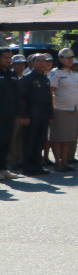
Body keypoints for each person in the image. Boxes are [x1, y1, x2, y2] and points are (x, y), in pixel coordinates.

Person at [18, 53, 53, 177]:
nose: (42, 63)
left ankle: (38, 165)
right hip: (31, 116)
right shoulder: (27, 79)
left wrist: (50, 115)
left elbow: (48, 98)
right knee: (30, 141)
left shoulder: (45, 79)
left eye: (44, 61)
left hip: (43, 115)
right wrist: (24, 116)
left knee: (40, 141)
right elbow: (21, 99)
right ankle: (28, 167)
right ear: (32, 63)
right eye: (39, 61)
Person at [48, 48, 78, 172]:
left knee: (68, 137)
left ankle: (65, 160)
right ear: (60, 59)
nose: (69, 60)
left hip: (72, 109)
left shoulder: (75, 74)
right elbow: (51, 91)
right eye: (67, 58)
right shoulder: (55, 73)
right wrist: (52, 109)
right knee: (58, 137)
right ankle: (58, 162)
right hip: (59, 108)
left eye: (71, 57)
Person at [0, 46, 19, 181]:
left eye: (9, 57)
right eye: (5, 57)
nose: (8, 60)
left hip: (10, 113)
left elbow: (16, 94)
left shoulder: (12, 73)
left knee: (6, 141)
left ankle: (3, 169)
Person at [8, 53, 26, 171]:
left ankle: (20, 160)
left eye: (22, 64)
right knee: (11, 138)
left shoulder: (26, 78)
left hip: (24, 113)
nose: (20, 66)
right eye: (17, 64)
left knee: (22, 138)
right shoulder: (9, 78)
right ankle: (11, 161)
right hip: (12, 113)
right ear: (12, 65)